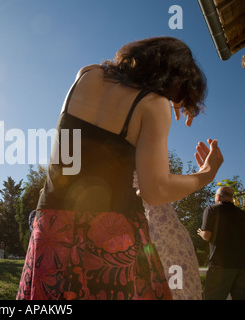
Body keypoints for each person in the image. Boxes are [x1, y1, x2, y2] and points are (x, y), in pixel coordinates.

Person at [17, 36, 223, 300]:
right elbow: (155, 190)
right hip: (110, 230)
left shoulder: (88, 74)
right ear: (175, 79)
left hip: (52, 224)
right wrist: (206, 174)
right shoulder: (152, 104)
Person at [134, 173, 202, 299]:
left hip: (165, 234)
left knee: (175, 283)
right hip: (160, 233)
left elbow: (150, 190)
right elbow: (150, 190)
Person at [198, 186, 245, 300]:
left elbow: (207, 236)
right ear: (231, 198)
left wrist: (201, 233)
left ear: (218, 197)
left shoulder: (211, 210)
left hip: (221, 265)